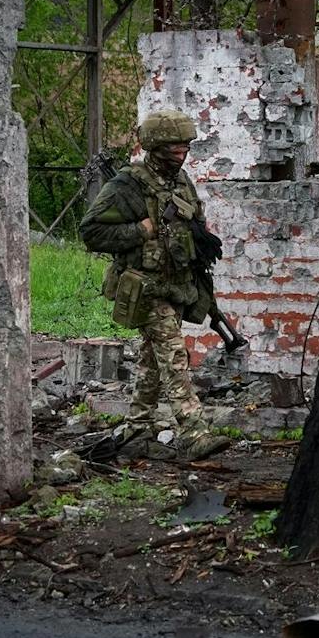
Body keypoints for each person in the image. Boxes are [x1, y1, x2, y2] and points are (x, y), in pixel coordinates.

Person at [78, 111, 234, 463]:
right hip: (144, 286)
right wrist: (141, 230)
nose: (181, 154)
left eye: (185, 147)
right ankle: (193, 432)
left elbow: (193, 228)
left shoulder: (180, 182)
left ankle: (138, 426)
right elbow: (91, 232)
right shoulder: (127, 185)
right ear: (155, 147)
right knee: (174, 355)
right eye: (174, 148)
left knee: (152, 359)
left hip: (175, 284)